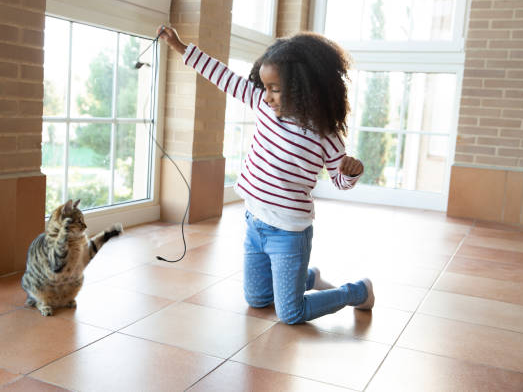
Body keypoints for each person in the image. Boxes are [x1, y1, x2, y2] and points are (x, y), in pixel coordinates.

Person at [158, 25, 374, 324]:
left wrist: (351, 172)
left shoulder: (326, 134)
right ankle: (308, 278)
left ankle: (357, 292)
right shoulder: (263, 104)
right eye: (265, 87)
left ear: (303, 88)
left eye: (275, 89)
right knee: (257, 299)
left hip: (288, 233)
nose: (268, 96)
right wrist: (181, 47)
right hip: (254, 223)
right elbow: (223, 77)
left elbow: (339, 181)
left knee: (291, 314)